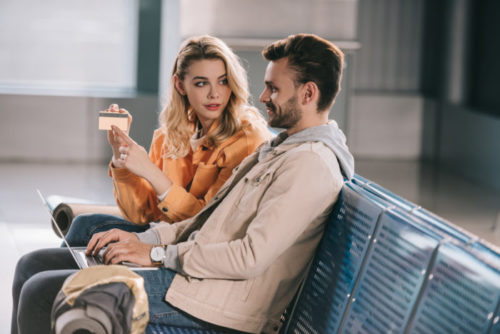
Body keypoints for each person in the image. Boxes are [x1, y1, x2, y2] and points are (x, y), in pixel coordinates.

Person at [12, 33, 355, 334]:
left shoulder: (309, 163)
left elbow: (249, 256)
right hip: (194, 278)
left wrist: (157, 254)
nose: (262, 97)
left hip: (215, 302)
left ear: (308, 94)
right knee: (32, 268)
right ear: (181, 85)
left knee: (43, 293)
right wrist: (142, 240)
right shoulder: (278, 151)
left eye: (274, 88)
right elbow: (202, 222)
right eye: (266, 85)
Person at [63, 35, 271, 247]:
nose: (214, 94)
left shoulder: (246, 139)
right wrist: (121, 157)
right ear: (180, 86)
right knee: (83, 225)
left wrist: (151, 172)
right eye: (201, 83)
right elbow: (142, 214)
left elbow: (206, 222)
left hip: (192, 246)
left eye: (223, 81)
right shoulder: (170, 135)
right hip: (162, 231)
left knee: (71, 247)